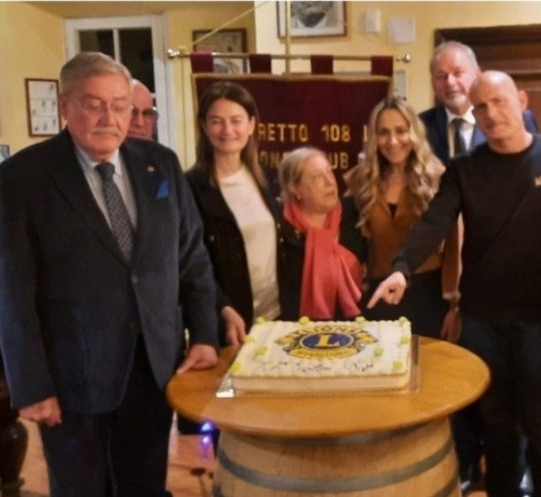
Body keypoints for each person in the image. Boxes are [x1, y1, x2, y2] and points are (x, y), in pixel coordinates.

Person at [0, 52, 219, 497]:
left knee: (145, 486)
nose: (110, 119)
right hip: (73, 376)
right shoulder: (24, 177)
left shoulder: (160, 164)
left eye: (120, 106)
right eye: (94, 105)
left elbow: (191, 258)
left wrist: (205, 335)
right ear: (65, 106)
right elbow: (14, 291)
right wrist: (31, 386)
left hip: (153, 367)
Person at [369, 70, 541, 497]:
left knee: (539, 424)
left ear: (522, 100)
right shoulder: (463, 169)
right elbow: (434, 223)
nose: (490, 113)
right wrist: (402, 268)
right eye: (481, 107)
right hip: (483, 318)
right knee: (494, 421)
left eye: (499, 102)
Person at [345, 97, 460, 338]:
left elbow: (454, 246)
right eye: (383, 132)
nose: (393, 141)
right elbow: (349, 245)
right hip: (378, 293)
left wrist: (454, 305)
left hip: (429, 294)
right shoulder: (359, 180)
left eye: (401, 131)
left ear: (415, 133)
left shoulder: (438, 177)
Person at [186, 81, 281, 346]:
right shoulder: (190, 187)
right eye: (217, 121)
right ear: (204, 126)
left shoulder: (263, 177)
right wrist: (223, 308)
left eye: (236, 121)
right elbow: (192, 262)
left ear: (251, 125)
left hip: (275, 316)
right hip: (229, 323)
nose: (227, 130)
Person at [279, 146, 365, 320]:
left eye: (330, 172)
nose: (329, 182)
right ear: (295, 188)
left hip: (355, 324)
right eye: (317, 177)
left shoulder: (353, 214)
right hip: (297, 327)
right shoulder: (281, 229)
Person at [419, 41, 539, 163]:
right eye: (441, 76)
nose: (450, 82)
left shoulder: (518, 117)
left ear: (477, 74)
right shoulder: (420, 125)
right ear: (433, 84)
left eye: (458, 73)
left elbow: (531, 163)